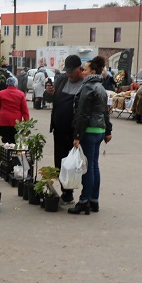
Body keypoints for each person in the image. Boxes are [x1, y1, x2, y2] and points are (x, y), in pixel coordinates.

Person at [68, 56, 112, 215]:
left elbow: (82, 114)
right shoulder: (100, 87)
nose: (82, 71)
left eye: (85, 69)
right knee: (94, 165)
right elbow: (105, 111)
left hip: (89, 131)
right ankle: (94, 200)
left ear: (92, 72)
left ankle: (83, 201)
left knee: (87, 168)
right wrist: (108, 130)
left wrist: (77, 135)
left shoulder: (88, 88)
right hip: (99, 131)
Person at [44, 55, 85, 205]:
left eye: (72, 72)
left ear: (80, 69)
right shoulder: (61, 79)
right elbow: (49, 100)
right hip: (59, 130)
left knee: (72, 165)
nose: (69, 75)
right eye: (67, 72)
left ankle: (71, 193)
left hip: (73, 131)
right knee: (59, 162)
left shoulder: (85, 83)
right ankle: (65, 192)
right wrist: (49, 93)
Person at [0, 76, 30, 144]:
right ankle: (13, 152)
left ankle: (7, 151)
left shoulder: (1, 93)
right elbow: (25, 111)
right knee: (14, 140)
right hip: (16, 122)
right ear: (16, 84)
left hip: (4, 121)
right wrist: (26, 123)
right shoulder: (21, 94)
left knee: (5, 140)